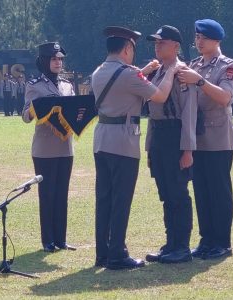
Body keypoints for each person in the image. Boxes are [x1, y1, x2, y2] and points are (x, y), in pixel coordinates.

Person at [91, 26, 178, 270]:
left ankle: (103, 253)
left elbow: (120, 84)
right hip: (123, 142)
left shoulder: (99, 71)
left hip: (102, 140)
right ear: (128, 48)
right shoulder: (129, 74)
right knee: (121, 199)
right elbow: (159, 96)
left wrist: (144, 71)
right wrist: (170, 71)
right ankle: (118, 253)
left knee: (104, 199)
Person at [178, 19, 233, 259]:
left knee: (219, 191)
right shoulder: (194, 64)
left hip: (218, 138)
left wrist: (200, 81)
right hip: (197, 138)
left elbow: (225, 97)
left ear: (216, 40)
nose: (198, 41)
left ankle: (222, 242)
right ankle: (206, 240)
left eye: (203, 37)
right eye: (196, 37)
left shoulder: (228, 65)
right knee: (201, 191)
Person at [144, 25, 197, 264]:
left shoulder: (182, 72)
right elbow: (151, 114)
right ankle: (170, 244)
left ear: (176, 46)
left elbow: (188, 113)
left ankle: (182, 247)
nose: (157, 45)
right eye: (156, 42)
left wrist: (187, 149)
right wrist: (149, 148)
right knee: (166, 194)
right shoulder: (157, 71)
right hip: (159, 136)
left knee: (178, 193)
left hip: (176, 135)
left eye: (162, 42)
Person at [22, 42, 76, 253]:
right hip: (44, 149)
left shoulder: (67, 85)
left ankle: (61, 240)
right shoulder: (34, 85)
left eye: (61, 59)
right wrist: (40, 107)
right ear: (45, 61)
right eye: (54, 59)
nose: (58, 63)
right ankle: (48, 241)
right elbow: (26, 115)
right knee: (47, 194)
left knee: (62, 193)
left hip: (65, 147)